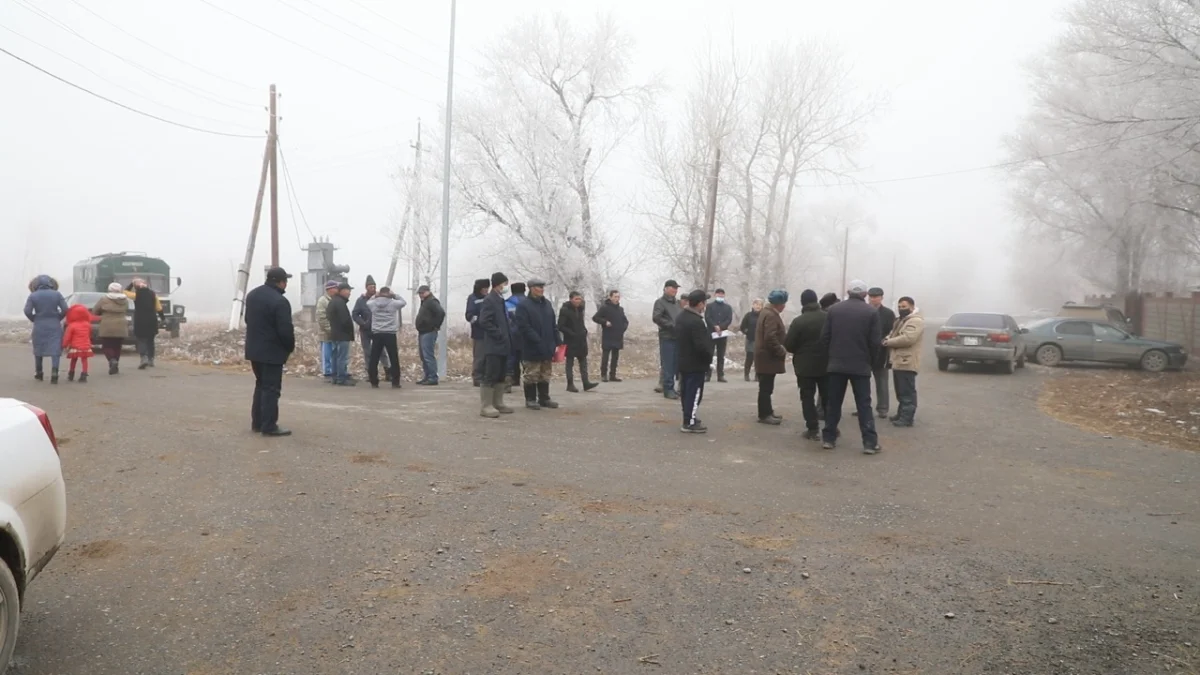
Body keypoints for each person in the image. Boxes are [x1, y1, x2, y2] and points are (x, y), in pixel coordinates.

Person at [820, 280, 882, 454]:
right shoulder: (871, 312)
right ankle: (870, 443)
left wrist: (831, 357)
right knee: (864, 405)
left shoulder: (834, 310)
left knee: (834, 403)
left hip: (836, 364)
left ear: (848, 292)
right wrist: (870, 361)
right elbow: (875, 342)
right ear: (865, 294)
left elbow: (825, 337)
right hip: (861, 366)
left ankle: (828, 438)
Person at [244, 267, 296, 436]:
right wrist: (289, 347)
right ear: (281, 282)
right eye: (285, 281)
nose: (286, 284)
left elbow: (247, 319)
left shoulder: (252, 295)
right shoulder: (280, 301)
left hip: (254, 350)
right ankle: (269, 426)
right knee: (271, 389)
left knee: (260, 385)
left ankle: (257, 423)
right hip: (272, 352)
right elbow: (285, 330)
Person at [785, 289, 828, 440]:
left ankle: (812, 429)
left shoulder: (799, 321)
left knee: (807, 397)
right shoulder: (828, 318)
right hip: (826, 365)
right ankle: (831, 428)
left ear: (803, 302)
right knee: (828, 397)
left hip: (805, 366)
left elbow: (789, 345)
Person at [514, 279, 561, 410]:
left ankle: (544, 398)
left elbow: (553, 323)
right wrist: (536, 339)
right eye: (539, 287)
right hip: (531, 346)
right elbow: (523, 326)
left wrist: (557, 339)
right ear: (531, 288)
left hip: (548, 345)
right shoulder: (524, 305)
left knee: (545, 373)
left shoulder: (547, 304)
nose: (541, 289)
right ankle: (530, 399)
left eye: (542, 287)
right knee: (531, 374)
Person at [676, 289, 715, 433]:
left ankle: (688, 417)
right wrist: (708, 358)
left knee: (686, 392)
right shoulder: (696, 321)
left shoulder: (681, 317)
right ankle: (689, 422)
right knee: (694, 393)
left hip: (684, 361)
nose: (705, 306)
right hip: (696, 363)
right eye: (704, 302)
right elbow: (701, 346)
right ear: (699, 304)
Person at [883, 296, 924, 427]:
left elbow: (908, 338)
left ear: (912, 307)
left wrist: (888, 342)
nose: (901, 309)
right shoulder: (902, 320)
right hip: (899, 360)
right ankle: (901, 413)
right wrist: (888, 337)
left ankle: (907, 418)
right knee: (900, 390)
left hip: (907, 361)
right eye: (899, 307)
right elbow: (895, 334)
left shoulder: (915, 321)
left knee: (907, 391)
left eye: (904, 307)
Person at [477, 272, 514, 417]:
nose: (506, 287)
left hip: (504, 344)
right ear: (498, 284)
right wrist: (498, 333)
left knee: (501, 374)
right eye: (504, 284)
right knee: (490, 374)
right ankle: (486, 406)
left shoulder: (500, 299)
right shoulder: (489, 300)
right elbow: (484, 321)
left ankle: (498, 403)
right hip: (494, 344)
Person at [859, 287, 896, 420]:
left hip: (881, 353)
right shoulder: (863, 311)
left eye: (876, 297)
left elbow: (893, 331)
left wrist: (884, 341)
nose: (873, 299)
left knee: (881, 382)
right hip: (864, 352)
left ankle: (883, 408)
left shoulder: (888, 314)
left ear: (881, 298)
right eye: (871, 297)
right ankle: (863, 407)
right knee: (862, 383)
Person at [25, 275, 69, 383]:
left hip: (39, 325)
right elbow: (65, 309)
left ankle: (39, 373)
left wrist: (34, 318)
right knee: (55, 349)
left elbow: (27, 311)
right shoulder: (57, 294)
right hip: (54, 325)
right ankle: (54, 373)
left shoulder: (33, 296)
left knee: (39, 348)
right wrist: (58, 317)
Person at [755, 290, 789, 425]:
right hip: (767, 357)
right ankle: (764, 414)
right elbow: (770, 337)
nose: (784, 306)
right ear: (778, 304)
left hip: (765, 357)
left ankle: (767, 411)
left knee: (766, 386)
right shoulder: (771, 315)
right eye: (783, 303)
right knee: (765, 388)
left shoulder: (766, 312)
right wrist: (780, 350)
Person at [365, 286, 407, 388]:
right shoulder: (394, 303)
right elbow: (403, 302)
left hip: (377, 333)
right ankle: (395, 382)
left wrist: (375, 295)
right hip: (390, 333)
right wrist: (394, 295)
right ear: (388, 293)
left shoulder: (372, 304)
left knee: (374, 358)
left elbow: (368, 302)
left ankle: (374, 381)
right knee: (393, 358)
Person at [558, 291, 599, 393]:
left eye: (579, 299)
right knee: (570, 363)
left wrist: (584, 330)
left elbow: (580, 322)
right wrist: (571, 333)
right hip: (571, 340)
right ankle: (570, 384)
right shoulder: (565, 310)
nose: (578, 301)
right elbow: (560, 326)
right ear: (571, 299)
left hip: (581, 340)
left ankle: (586, 382)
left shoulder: (580, 309)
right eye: (576, 299)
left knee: (583, 362)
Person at [353, 275, 391, 380]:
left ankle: (388, 372)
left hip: (379, 329)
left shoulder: (380, 298)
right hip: (365, 330)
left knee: (382, 351)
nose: (372, 288)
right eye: (370, 286)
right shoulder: (361, 300)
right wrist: (362, 323)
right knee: (368, 352)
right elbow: (355, 314)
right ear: (366, 287)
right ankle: (371, 373)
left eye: (374, 286)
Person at [651, 279, 683, 398]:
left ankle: (673, 388)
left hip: (678, 337)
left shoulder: (677, 303)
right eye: (673, 288)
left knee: (675, 364)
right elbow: (656, 317)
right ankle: (668, 389)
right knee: (668, 364)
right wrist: (671, 325)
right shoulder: (660, 302)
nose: (675, 290)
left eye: (676, 288)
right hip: (667, 336)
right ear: (666, 289)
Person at [93, 282, 130, 375]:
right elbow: (127, 309)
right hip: (121, 324)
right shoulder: (125, 299)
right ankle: (115, 366)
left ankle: (112, 360)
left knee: (107, 345)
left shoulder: (104, 299)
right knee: (117, 346)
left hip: (107, 324)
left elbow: (95, 311)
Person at [126, 278, 163, 369]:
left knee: (141, 340)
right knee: (151, 340)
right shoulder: (153, 295)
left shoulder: (135, 295)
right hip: (152, 319)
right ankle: (151, 359)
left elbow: (125, 292)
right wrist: (163, 318)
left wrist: (132, 283)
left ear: (136, 287)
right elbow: (159, 308)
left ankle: (144, 358)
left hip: (140, 320)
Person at [593, 289, 629, 382]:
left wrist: (622, 328)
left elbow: (625, 321)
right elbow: (595, 318)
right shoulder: (604, 307)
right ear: (610, 297)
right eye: (615, 297)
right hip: (608, 335)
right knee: (605, 356)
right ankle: (603, 375)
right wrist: (605, 322)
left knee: (615, 357)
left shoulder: (620, 309)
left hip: (618, 336)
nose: (617, 299)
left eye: (618, 297)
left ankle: (613, 375)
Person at [414, 284, 445, 385]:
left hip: (429, 331)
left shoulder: (431, 301)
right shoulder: (425, 302)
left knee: (428, 355)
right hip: (423, 332)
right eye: (419, 293)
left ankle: (432, 377)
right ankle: (427, 376)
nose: (420, 295)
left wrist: (435, 326)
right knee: (423, 356)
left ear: (427, 292)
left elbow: (441, 313)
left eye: (422, 293)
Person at [326, 282, 357, 386]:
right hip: (342, 334)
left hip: (335, 333)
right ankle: (341, 378)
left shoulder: (333, 301)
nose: (349, 293)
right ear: (342, 290)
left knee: (335, 356)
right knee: (342, 357)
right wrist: (349, 331)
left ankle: (335, 377)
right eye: (348, 291)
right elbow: (345, 320)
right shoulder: (340, 303)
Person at [704, 288, 734, 383]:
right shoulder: (709, 306)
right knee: (709, 354)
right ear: (715, 295)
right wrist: (714, 326)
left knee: (721, 355)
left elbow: (729, 319)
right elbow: (707, 317)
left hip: (722, 334)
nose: (720, 296)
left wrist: (721, 327)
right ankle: (707, 374)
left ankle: (720, 375)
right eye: (718, 294)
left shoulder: (728, 307)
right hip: (711, 333)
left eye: (722, 294)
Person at [62, 304, 94, 383]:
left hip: (75, 346)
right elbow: (89, 334)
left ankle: (71, 374)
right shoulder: (88, 325)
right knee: (84, 360)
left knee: (73, 360)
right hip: (85, 345)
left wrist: (64, 345)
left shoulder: (72, 326)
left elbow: (67, 337)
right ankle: (84, 374)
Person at [466, 278, 490, 387]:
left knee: (488, 356)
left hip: (490, 332)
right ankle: (477, 377)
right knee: (479, 357)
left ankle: (486, 376)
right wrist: (480, 321)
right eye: (484, 288)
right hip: (479, 333)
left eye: (487, 288)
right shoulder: (472, 298)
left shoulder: (489, 298)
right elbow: (469, 315)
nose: (486, 290)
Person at [504, 282, 527, 392]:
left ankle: (510, 382)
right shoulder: (529, 303)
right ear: (524, 290)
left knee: (511, 358)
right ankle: (530, 383)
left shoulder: (506, 304)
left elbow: (504, 319)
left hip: (511, 334)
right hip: (526, 335)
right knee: (527, 358)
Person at [315, 280, 338, 379]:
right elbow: (321, 317)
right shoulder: (323, 301)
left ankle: (333, 370)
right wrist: (330, 329)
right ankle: (327, 372)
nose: (337, 290)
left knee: (334, 353)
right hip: (326, 333)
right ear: (330, 289)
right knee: (327, 353)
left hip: (335, 332)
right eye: (336, 288)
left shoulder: (335, 299)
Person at [739, 298, 763, 382]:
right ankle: (746, 374)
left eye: (759, 305)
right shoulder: (748, 315)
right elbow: (742, 327)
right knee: (749, 358)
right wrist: (747, 331)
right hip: (750, 339)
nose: (757, 306)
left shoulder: (763, 316)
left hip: (760, 340)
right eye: (756, 304)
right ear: (753, 305)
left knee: (759, 358)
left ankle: (757, 375)